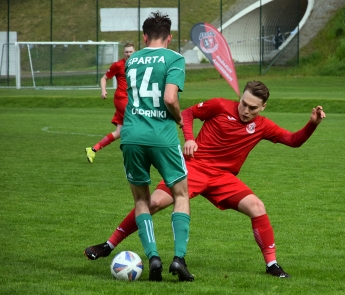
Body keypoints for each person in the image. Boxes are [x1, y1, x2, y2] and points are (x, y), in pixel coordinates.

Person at [85, 80, 326, 278]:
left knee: (257, 207)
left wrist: (312, 124)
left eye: (253, 107)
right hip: (194, 168)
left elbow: (294, 141)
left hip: (223, 178)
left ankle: (272, 265)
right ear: (240, 97)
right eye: (244, 103)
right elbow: (188, 113)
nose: (245, 110)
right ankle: (108, 245)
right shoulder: (220, 105)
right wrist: (189, 138)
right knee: (154, 203)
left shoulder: (263, 126)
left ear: (263, 107)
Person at [120, 11, 192, 282]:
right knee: (181, 194)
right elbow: (170, 98)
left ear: (144, 37)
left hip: (131, 136)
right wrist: (179, 120)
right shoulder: (174, 58)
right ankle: (179, 259)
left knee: (141, 200)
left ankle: (152, 257)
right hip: (161, 135)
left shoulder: (132, 60)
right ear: (170, 37)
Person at [85, 43, 135, 163]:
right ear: (123, 53)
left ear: (135, 52)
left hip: (132, 99)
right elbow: (104, 78)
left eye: (130, 52)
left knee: (119, 132)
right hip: (122, 99)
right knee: (138, 122)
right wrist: (103, 91)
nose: (128, 54)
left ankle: (93, 149)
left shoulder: (138, 64)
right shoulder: (118, 65)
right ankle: (133, 152)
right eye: (126, 52)